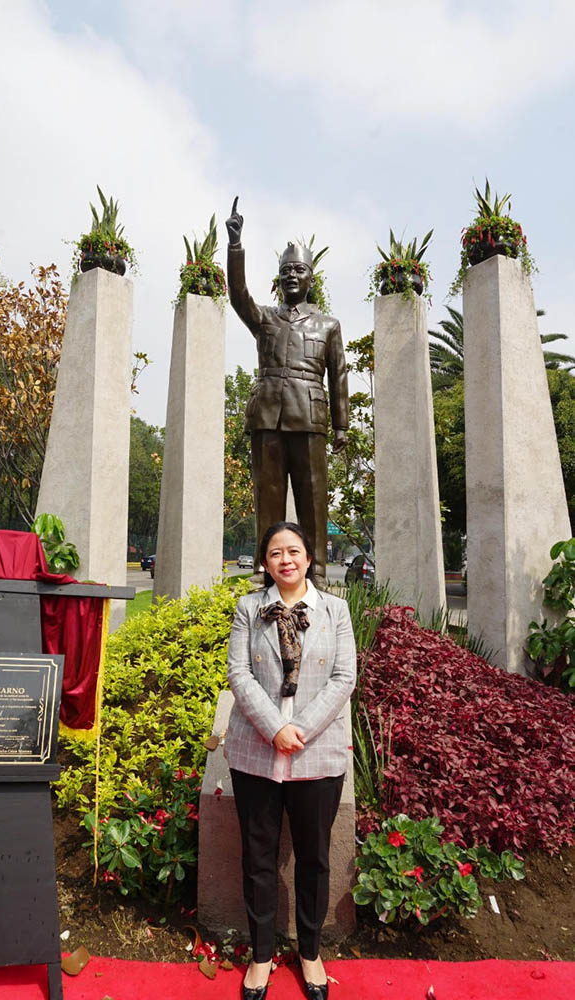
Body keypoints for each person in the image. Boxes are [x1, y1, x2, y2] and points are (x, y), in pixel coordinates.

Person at [225, 521, 356, 1000]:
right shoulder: (248, 609)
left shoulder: (335, 610)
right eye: (276, 552)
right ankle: (261, 957)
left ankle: (310, 952)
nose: (286, 559)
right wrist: (274, 728)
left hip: (316, 753)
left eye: (294, 551)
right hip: (256, 750)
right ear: (265, 562)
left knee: (314, 859)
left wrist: (300, 729)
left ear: (308, 558)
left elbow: (344, 677)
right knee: (258, 857)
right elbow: (238, 672)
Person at [226, 197, 349, 590]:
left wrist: (341, 425)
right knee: (269, 498)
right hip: (268, 417)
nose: (292, 276)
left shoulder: (328, 324)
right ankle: (267, 570)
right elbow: (238, 294)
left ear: (311, 277)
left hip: (310, 418)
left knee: (313, 499)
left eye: (299, 270)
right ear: (278, 279)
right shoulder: (265, 318)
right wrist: (235, 247)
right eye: (285, 271)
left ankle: (317, 573)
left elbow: (339, 374)